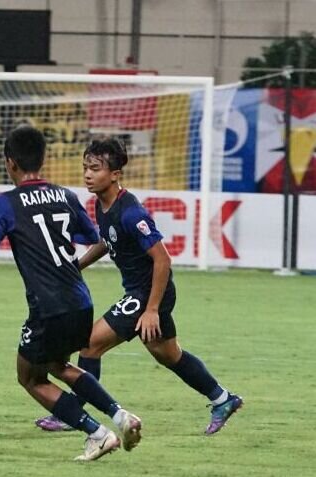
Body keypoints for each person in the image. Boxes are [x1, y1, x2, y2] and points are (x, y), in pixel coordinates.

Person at [0, 126, 142, 462]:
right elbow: (97, 237)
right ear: (42, 160)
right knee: (59, 365)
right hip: (81, 299)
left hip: (48, 306)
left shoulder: (5, 204)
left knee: (29, 377)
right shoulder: (66, 196)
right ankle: (121, 416)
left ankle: (98, 433)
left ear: (10, 163)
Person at [35, 137, 243, 435]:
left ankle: (74, 413)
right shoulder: (101, 204)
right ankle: (223, 399)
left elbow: (163, 260)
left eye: (95, 168)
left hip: (147, 294)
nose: (87, 174)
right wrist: (77, 266)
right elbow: (106, 241)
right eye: (85, 167)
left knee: (89, 345)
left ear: (115, 174)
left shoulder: (131, 212)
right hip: (144, 293)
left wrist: (152, 309)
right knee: (168, 354)